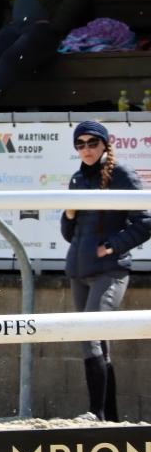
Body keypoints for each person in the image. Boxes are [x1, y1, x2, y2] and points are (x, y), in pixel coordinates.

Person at [61, 120, 151, 421]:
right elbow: (69, 233)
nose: (86, 149)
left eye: (92, 143)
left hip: (110, 271)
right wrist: (68, 214)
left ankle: (96, 413)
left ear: (104, 145)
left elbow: (145, 223)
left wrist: (111, 246)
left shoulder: (121, 174)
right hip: (79, 271)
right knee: (97, 342)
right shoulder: (76, 179)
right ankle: (109, 419)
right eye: (80, 144)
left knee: (90, 335)